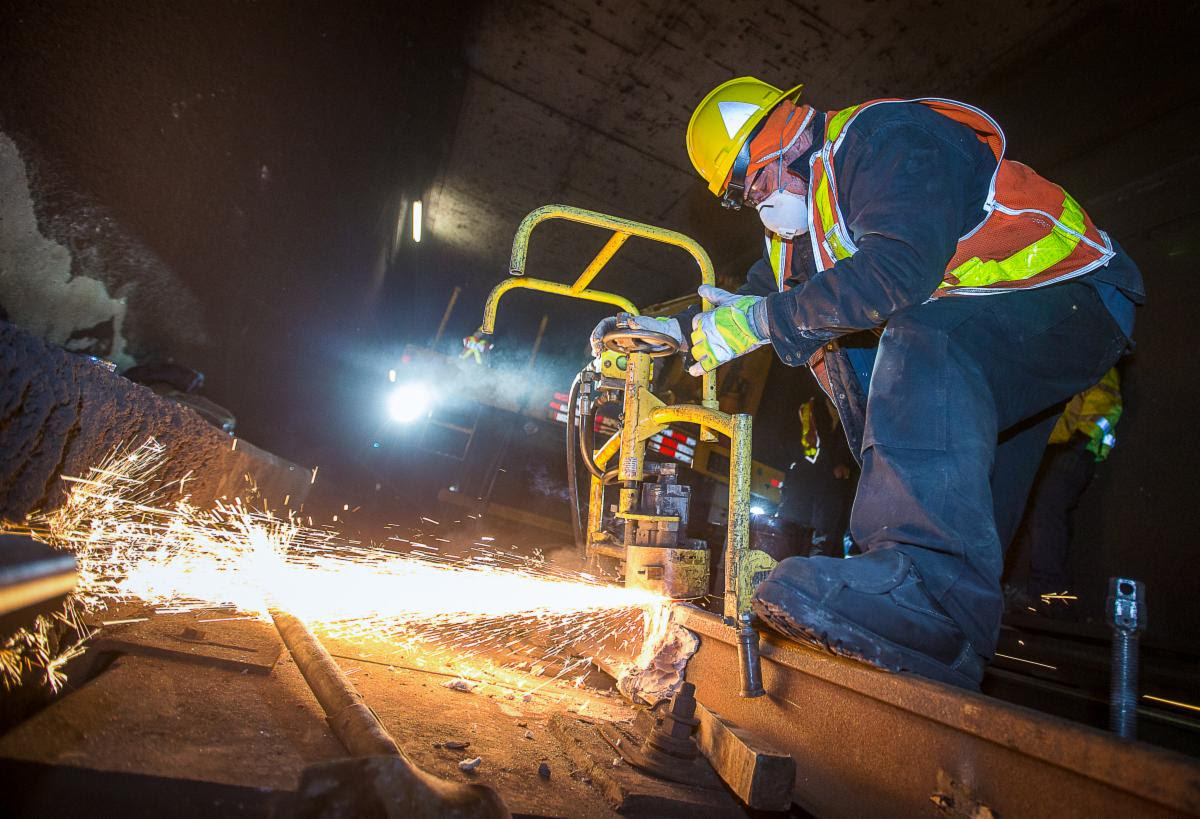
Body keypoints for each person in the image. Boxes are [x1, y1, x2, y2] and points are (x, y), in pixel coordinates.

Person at [590, 78, 1143, 689]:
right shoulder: (806, 234)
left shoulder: (885, 140)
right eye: (743, 199)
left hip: (1072, 297)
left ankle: (920, 586)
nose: (758, 205)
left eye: (754, 186)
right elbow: (756, 299)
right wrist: (676, 330)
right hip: (1007, 333)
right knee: (969, 487)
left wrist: (763, 321)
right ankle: (946, 644)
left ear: (782, 142)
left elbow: (898, 271)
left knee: (927, 339)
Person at [1009, 367, 1123, 618]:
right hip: (1060, 449)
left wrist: (1082, 440)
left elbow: (1106, 407)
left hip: (1076, 450)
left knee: (1047, 514)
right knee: (1045, 518)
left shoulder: (1100, 362)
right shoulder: (1076, 360)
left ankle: (1049, 594)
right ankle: (1053, 596)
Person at [776, 395, 855, 558]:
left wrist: (844, 467)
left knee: (822, 541)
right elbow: (800, 446)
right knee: (796, 539)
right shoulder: (811, 409)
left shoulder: (850, 415)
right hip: (807, 487)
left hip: (831, 490)